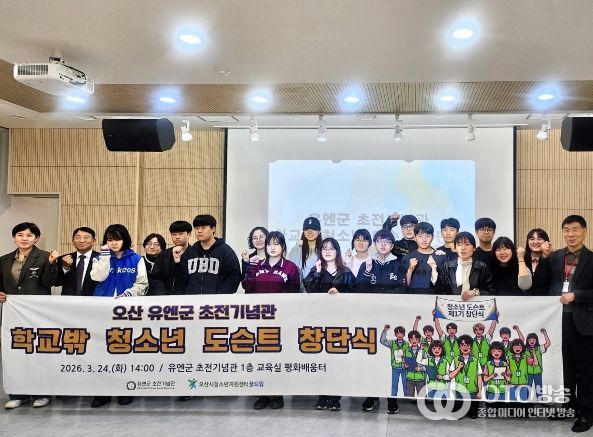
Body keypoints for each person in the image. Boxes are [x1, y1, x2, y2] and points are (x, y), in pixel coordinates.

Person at [537, 215, 593, 433]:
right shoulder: (555, 257)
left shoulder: (591, 258)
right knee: (565, 368)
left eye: (575, 229)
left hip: (584, 322)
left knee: (585, 370)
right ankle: (569, 407)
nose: (571, 234)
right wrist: (543, 259)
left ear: (585, 231)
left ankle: (587, 413)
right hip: (557, 321)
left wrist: (576, 295)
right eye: (567, 230)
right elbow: (541, 284)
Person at [89, 223, 148, 408]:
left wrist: (129, 294)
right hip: (102, 310)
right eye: (109, 239)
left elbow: (142, 283)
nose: (113, 243)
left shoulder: (136, 259)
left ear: (125, 239)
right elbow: (97, 277)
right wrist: (105, 257)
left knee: (124, 349)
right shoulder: (100, 257)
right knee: (101, 351)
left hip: (127, 310)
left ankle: (124, 389)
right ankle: (102, 393)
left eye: (117, 239)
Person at [1, 222, 58, 409]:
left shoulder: (45, 257)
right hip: (13, 315)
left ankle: (42, 394)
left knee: (40, 352)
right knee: (16, 353)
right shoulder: (4, 260)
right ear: (14, 238)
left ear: (36, 238)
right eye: (20, 235)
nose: (24, 238)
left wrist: (52, 264)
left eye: (29, 235)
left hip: (38, 314)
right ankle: (18, 394)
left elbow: (50, 282)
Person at [242, 231, 299, 410]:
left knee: (278, 356)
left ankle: (277, 394)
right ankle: (263, 394)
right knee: (260, 356)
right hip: (259, 319)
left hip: (281, 320)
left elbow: (295, 293)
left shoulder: (290, 267)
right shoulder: (257, 265)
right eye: (269, 244)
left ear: (283, 246)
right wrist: (250, 268)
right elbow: (247, 286)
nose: (272, 247)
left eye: (276, 244)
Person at [304, 237, 355, 412]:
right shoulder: (315, 269)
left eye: (331, 248)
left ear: (337, 252)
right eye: (324, 248)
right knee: (321, 360)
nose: (327, 251)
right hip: (318, 321)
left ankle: (335, 398)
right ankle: (322, 396)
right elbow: (308, 289)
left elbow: (355, 294)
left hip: (340, 323)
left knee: (337, 361)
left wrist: (340, 294)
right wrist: (318, 273)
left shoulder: (346, 272)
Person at [174, 214, 241, 294]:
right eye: (196, 228)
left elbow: (235, 276)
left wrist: (220, 295)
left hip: (218, 300)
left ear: (213, 229)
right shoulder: (190, 251)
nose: (199, 231)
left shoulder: (225, 250)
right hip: (193, 300)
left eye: (203, 227)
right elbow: (181, 278)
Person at [436, 231, 495, 298]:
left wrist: (476, 292)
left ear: (474, 248)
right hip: (452, 303)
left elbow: (491, 291)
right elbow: (441, 291)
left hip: (475, 303)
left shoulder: (482, 267)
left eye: (467, 244)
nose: (463, 248)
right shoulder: (447, 266)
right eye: (459, 245)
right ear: (455, 248)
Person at [148, 220, 192, 296]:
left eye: (181, 234)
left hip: (188, 298)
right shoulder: (164, 254)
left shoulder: (194, 254)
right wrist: (164, 295)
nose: (177, 237)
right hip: (165, 298)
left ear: (189, 234)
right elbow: (155, 278)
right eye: (174, 234)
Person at [401, 222, 446, 294]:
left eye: (427, 236)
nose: (424, 240)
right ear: (415, 237)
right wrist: (410, 269)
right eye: (420, 236)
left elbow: (445, 286)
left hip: (434, 297)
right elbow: (403, 287)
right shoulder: (407, 258)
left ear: (432, 237)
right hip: (413, 297)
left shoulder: (441, 257)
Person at [56, 227, 100, 296]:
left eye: (86, 237)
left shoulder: (101, 259)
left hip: (93, 300)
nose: (81, 241)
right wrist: (65, 268)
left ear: (94, 241)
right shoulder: (63, 259)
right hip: (69, 301)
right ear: (73, 241)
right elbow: (57, 283)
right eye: (77, 237)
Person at [288, 217, 322, 290]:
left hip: (318, 290)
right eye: (306, 229)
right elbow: (293, 270)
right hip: (299, 291)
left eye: (313, 229)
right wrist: (297, 247)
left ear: (319, 231)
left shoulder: (323, 250)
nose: (309, 232)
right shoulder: (296, 248)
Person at [524, 228, 553, 295]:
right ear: (528, 242)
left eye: (539, 239)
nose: (536, 242)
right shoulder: (522, 258)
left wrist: (545, 256)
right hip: (524, 298)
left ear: (546, 242)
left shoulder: (553, 258)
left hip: (547, 298)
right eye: (532, 239)